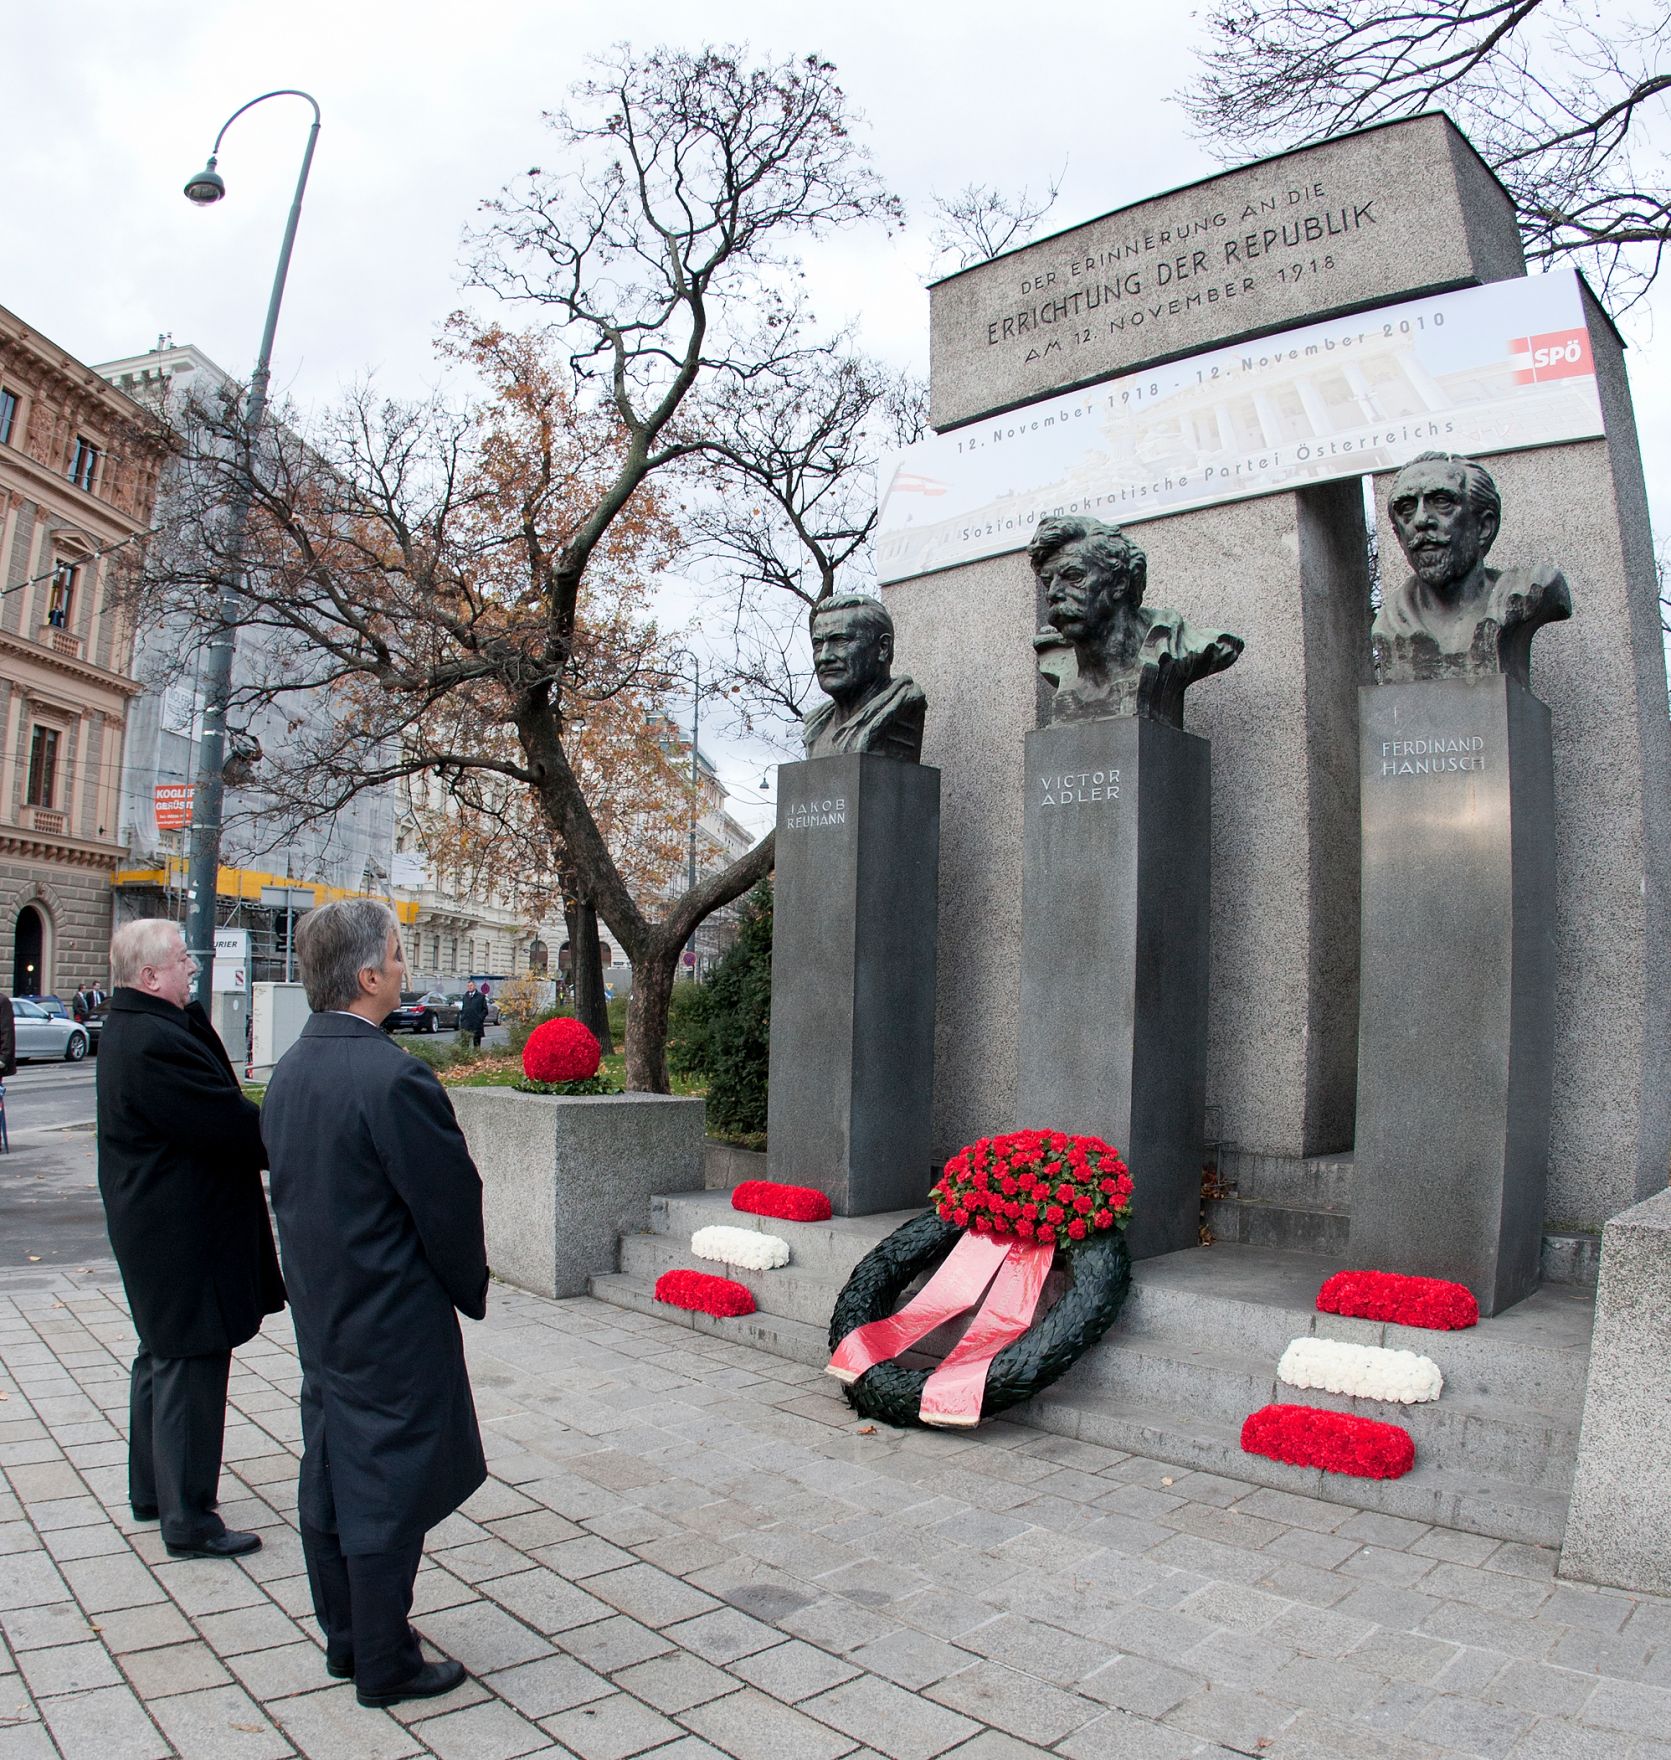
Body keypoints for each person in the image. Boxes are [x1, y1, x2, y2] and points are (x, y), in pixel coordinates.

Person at [262, 899, 487, 1709]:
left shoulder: (292, 1066)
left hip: (324, 1309)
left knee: (331, 1467)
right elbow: (448, 1203)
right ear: (365, 976)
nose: (402, 966)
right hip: (391, 1314)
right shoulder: (393, 1076)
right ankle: (385, 1659)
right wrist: (465, 1287)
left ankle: (349, 1638)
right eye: (395, 954)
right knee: (387, 1481)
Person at [96, 919, 280, 1559]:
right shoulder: (153, 1040)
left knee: (162, 1354)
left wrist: (191, 1014)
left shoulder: (143, 1025)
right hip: (180, 1231)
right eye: (182, 960)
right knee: (190, 1361)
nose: (194, 966)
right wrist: (296, 1132)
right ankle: (190, 1519)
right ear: (150, 976)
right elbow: (225, 1122)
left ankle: (154, 1493)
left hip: (162, 1225)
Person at [1372, 451, 1571, 685]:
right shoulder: (1391, 622)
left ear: (1484, 526)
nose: (1421, 520)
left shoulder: (1527, 592)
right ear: (1398, 535)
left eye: (1442, 502)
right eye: (1407, 508)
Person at [1028, 514, 1243, 727]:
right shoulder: (1053, 657)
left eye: (1074, 577)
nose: (1053, 593)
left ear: (1120, 583)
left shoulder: (1185, 648)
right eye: (1048, 582)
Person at [802, 595, 927, 761]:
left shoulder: (902, 708)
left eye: (840, 640)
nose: (824, 656)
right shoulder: (814, 726)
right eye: (818, 644)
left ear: (883, 648)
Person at [459, 980, 487, 1049]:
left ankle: (476, 1055)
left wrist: (480, 1018)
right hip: (466, 1023)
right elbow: (464, 1008)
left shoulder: (481, 996)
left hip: (476, 1024)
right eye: (468, 986)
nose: (469, 987)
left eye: (471, 985)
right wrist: (462, 1018)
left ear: (474, 986)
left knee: (476, 1044)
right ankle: (465, 1055)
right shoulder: (465, 996)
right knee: (464, 1044)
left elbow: (485, 1010)